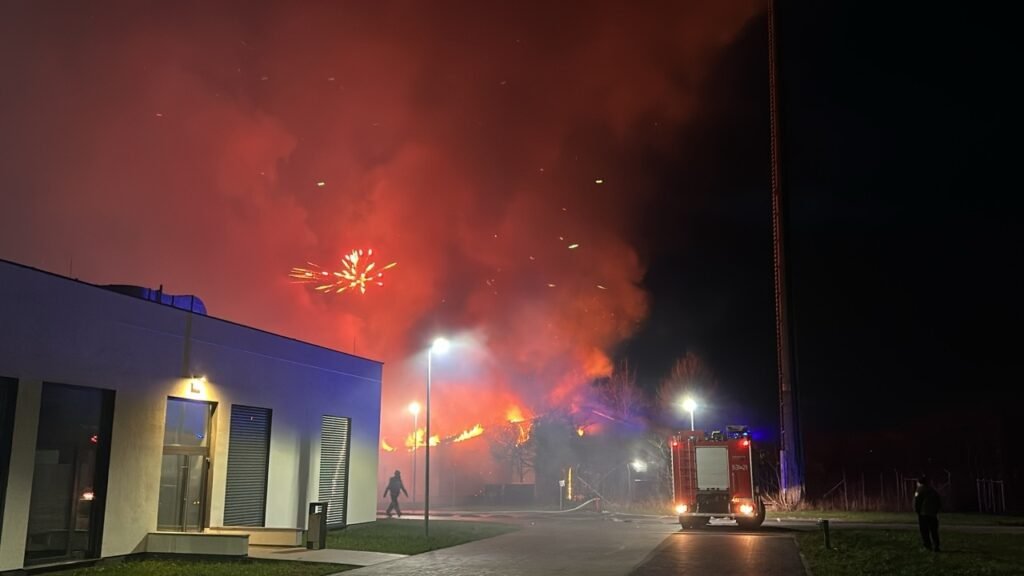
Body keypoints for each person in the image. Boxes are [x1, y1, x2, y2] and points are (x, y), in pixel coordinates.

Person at [914, 474, 942, 552]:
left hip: (923, 514)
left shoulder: (919, 490)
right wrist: (936, 510)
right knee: (934, 531)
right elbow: (938, 501)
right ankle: (936, 546)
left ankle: (927, 546)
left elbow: (917, 501)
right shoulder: (933, 490)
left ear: (919, 482)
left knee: (924, 531)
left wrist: (917, 510)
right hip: (933, 514)